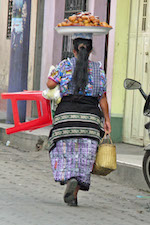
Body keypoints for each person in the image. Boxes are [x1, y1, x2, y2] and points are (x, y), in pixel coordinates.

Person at [46, 33, 111, 206]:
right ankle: (74, 191)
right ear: (90, 51)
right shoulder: (98, 68)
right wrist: (107, 120)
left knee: (64, 151)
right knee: (85, 156)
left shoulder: (65, 65)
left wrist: (56, 74)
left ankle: (69, 178)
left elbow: (50, 84)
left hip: (66, 117)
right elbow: (102, 98)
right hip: (90, 119)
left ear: (73, 50)